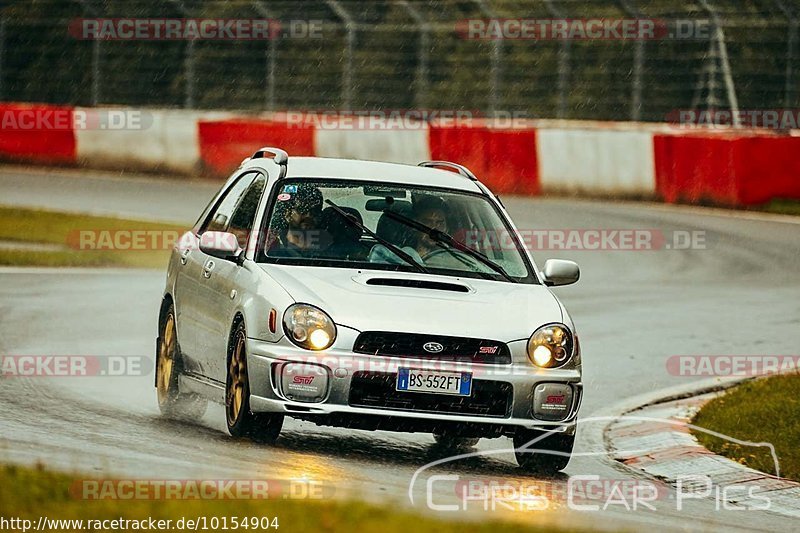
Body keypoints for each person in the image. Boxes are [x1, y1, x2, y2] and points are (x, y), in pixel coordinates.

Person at [266, 185, 328, 257]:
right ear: (288, 214)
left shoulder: (332, 248)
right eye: (302, 210)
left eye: (315, 211)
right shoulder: (272, 249)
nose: (309, 215)